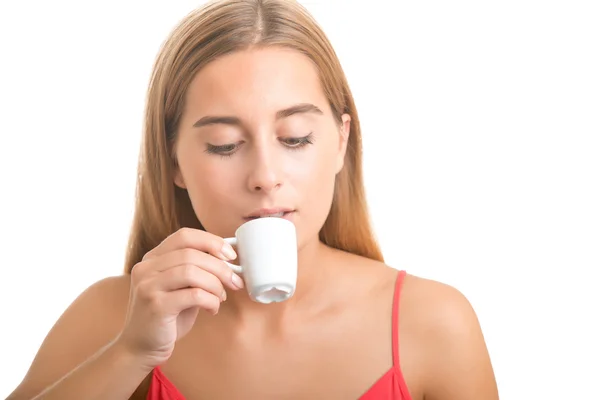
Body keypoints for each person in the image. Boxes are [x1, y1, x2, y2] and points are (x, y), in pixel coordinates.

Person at [8, 0, 499, 399]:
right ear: (174, 161)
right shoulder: (112, 318)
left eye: (296, 138)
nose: (265, 176)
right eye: (224, 144)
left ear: (341, 142)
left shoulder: (435, 324)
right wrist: (129, 353)